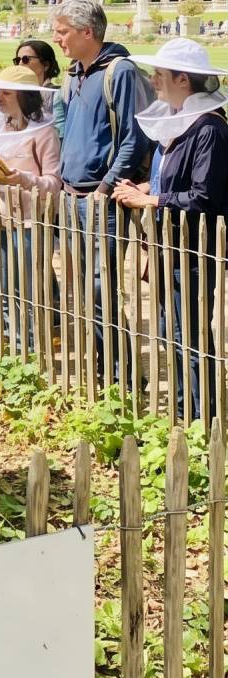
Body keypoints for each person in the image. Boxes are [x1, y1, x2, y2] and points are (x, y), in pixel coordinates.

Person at [112, 38, 228, 422]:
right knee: (172, 334)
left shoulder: (209, 128)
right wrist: (147, 187)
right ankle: (184, 412)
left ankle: (204, 418)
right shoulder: (181, 121)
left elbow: (206, 196)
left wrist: (152, 201)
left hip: (193, 251)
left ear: (183, 79)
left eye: (161, 74)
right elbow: (172, 178)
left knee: (191, 338)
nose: (154, 80)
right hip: (171, 248)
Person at [53, 0, 151, 385]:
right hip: (72, 194)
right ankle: (105, 366)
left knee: (101, 288)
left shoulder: (119, 72)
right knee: (86, 291)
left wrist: (106, 186)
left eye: (63, 33)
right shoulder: (74, 73)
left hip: (100, 199)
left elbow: (133, 137)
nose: (58, 40)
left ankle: (122, 373)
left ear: (86, 32)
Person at [0, 64, 62, 350]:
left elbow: (54, 182)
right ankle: (14, 346)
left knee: (28, 287)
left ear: (23, 97)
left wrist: (24, 179)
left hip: (30, 222)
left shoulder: (44, 133)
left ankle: (32, 347)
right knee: (4, 286)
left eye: (6, 94)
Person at [14, 37, 64, 138]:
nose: (20, 64)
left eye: (25, 59)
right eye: (17, 60)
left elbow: (59, 134)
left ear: (45, 65)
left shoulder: (56, 95)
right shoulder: (16, 93)